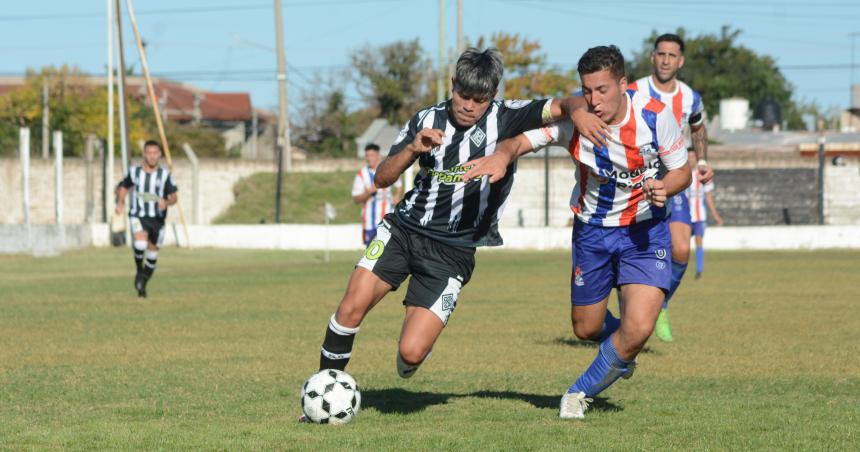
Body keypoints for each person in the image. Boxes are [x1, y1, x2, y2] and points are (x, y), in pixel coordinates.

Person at [306, 48, 589, 414]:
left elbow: (569, 103)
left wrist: (581, 112)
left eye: (480, 99)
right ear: (452, 85)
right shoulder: (426, 119)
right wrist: (411, 148)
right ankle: (324, 392)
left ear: (493, 96)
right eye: (463, 95)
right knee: (350, 307)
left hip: (452, 252)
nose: (469, 105)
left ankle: (410, 348)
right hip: (404, 230)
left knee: (411, 353)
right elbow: (381, 178)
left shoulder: (507, 117)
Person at [464, 45, 691, 419]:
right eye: (586, 91)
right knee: (585, 328)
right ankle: (620, 350)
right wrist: (503, 155)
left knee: (639, 328)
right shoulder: (577, 122)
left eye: (602, 90)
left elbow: (679, 168)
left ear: (623, 84)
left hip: (645, 233)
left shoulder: (655, 117)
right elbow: (520, 141)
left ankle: (577, 393)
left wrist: (667, 186)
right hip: (592, 233)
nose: (594, 99)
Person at [628, 33, 714, 342]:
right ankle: (629, 314)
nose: (665, 60)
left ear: (681, 61)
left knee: (680, 248)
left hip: (674, 180)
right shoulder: (634, 91)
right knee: (631, 249)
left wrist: (701, 160)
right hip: (635, 181)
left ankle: (661, 305)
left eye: (671, 55)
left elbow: (698, 127)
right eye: (660, 54)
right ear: (652, 57)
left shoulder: (689, 97)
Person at [115, 140, 178, 298]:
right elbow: (124, 186)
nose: (151, 156)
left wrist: (167, 202)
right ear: (144, 154)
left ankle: (143, 283)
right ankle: (138, 271)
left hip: (157, 220)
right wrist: (120, 202)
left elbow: (174, 197)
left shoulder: (165, 175)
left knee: (152, 256)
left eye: (154, 153)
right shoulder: (134, 172)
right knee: (140, 243)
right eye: (148, 153)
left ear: (159, 155)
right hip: (139, 215)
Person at [352, 143, 402, 246]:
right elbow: (356, 199)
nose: (369, 158)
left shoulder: (387, 170)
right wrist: (368, 192)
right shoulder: (362, 175)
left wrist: (397, 196)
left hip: (387, 220)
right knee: (370, 256)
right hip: (370, 222)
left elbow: (399, 185)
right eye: (367, 156)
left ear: (378, 155)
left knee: (388, 252)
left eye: (371, 155)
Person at [686, 153, 723, 279]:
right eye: (688, 157)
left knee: (699, 241)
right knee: (681, 244)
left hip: (699, 215)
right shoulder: (682, 174)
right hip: (684, 216)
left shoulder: (703, 174)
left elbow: (709, 197)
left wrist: (715, 215)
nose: (690, 159)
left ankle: (699, 271)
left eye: (692, 157)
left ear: (697, 159)